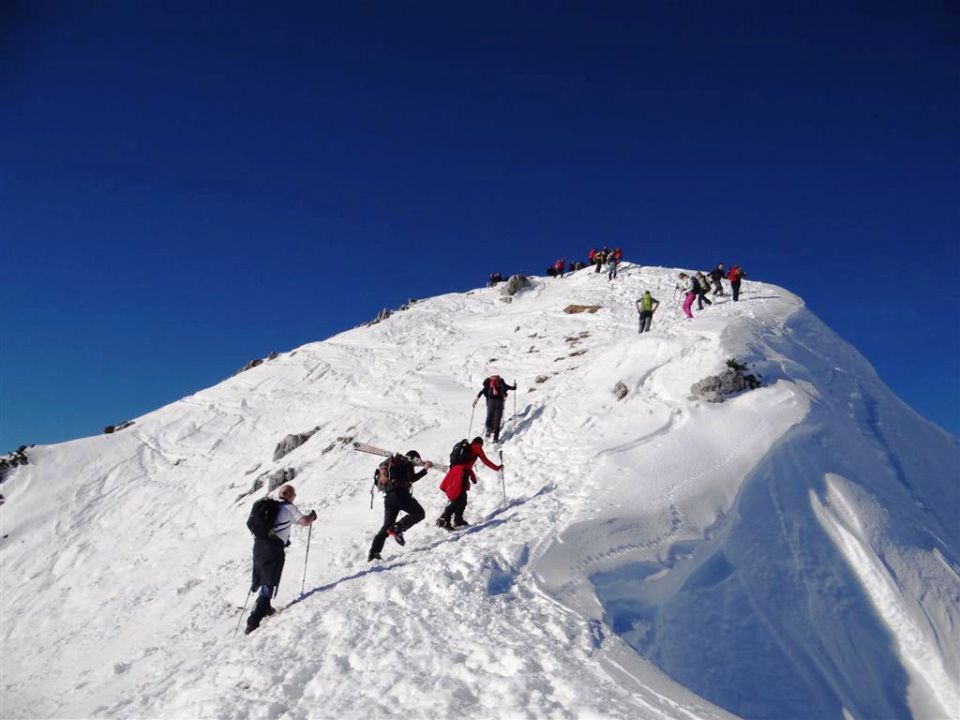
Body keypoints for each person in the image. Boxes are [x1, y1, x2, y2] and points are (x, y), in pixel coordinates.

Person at [246, 484, 317, 634]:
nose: (294, 497)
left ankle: (265, 608)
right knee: (269, 581)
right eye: (294, 495)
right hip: (273, 549)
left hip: (259, 546)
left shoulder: (270, 507)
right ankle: (253, 621)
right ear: (288, 495)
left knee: (264, 578)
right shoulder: (289, 508)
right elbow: (304, 521)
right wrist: (312, 516)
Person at [368, 450, 433, 562]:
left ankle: (374, 552)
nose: (416, 464)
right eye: (416, 461)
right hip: (400, 495)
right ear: (413, 458)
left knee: (386, 526)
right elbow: (411, 478)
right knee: (419, 513)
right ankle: (397, 528)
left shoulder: (395, 464)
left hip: (389, 497)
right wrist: (425, 469)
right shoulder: (407, 462)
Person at [437, 437, 501, 529]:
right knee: (460, 499)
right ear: (480, 443)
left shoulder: (468, 449)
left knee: (462, 499)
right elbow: (485, 460)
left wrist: (472, 477)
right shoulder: (477, 447)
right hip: (461, 474)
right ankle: (444, 518)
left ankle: (458, 519)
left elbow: (466, 466)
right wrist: (497, 468)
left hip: (455, 472)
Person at [473, 374, 517, 443]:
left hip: (490, 402)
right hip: (499, 402)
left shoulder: (489, 383)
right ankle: (495, 438)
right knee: (497, 419)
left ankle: (488, 430)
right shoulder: (501, 382)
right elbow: (513, 388)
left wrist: (475, 401)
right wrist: (515, 385)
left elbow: (481, 392)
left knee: (490, 416)